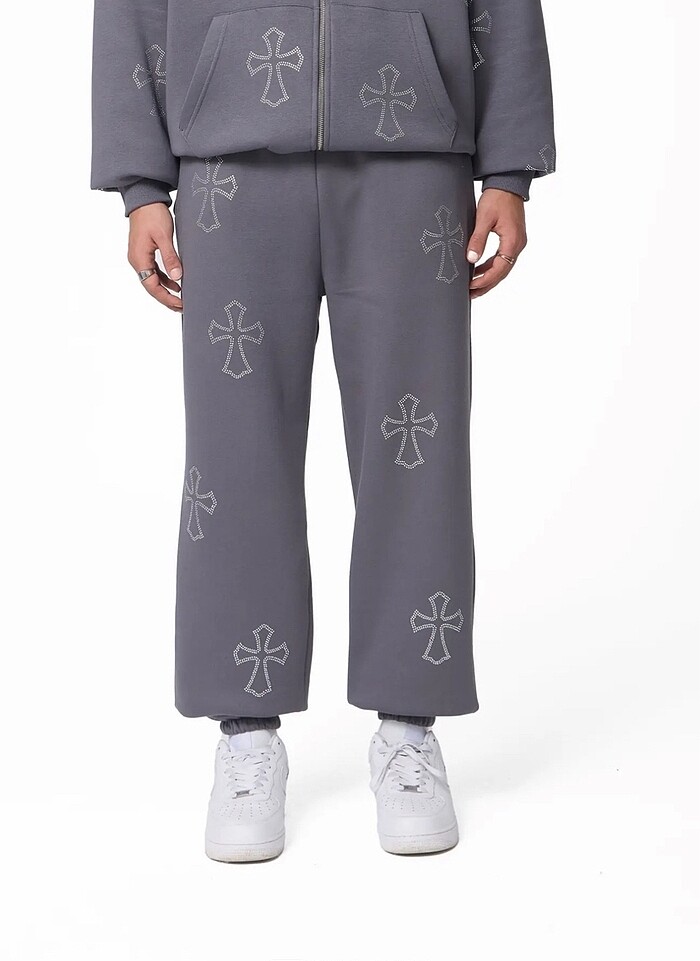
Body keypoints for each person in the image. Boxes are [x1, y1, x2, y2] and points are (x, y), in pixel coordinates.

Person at [91, 0, 555, 862]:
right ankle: (245, 736)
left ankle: (408, 731)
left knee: (418, 450)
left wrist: (511, 167)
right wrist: (139, 181)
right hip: (228, 158)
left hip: (414, 154)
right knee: (233, 454)